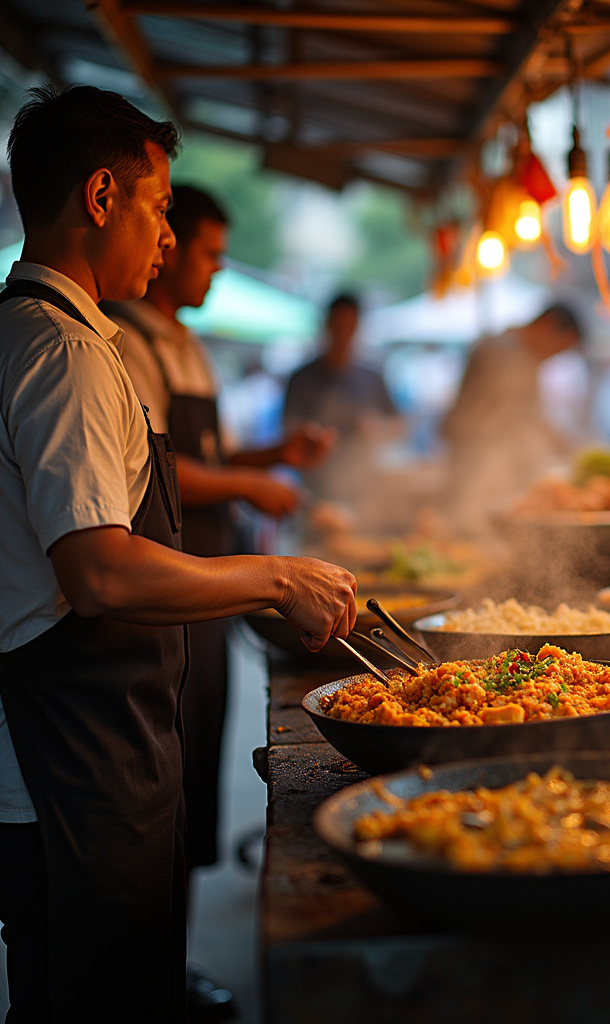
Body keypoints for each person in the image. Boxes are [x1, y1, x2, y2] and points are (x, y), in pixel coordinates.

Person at [0, 85, 358, 1024]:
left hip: (97, 735)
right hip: (70, 755)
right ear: (101, 197)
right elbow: (100, 572)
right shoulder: (57, 351)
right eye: (159, 208)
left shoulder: (61, 335)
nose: (165, 240)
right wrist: (277, 577)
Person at [104, 184, 332, 1020]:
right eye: (203, 248)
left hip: (205, 580)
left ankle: (173, 966)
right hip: (171, 578)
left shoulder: (185, 345)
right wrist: (251, 482)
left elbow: (209, 447)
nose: (205, 261)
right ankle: (158, 977)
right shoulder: (123, 341)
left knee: (192, 771)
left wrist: (274, 453)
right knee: (167, 774)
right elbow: (164, 471)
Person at [438, 304, 584, 534]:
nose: (552, 356)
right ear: (547, 325)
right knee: (473, 526)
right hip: (477, 462)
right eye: (558, 348)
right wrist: (563, 445)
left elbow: (527, 415)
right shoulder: (504, 353)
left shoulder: (517, 352)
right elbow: (517, 416)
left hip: (485, 460)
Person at [283, 293, 402, 518]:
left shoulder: (373, 377)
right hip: (315, 493)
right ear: (327, 326)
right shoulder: (302, 378)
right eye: (338, 326)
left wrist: (378, 429)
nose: (344, 335)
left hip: (365, 487)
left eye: (350, 327)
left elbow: (400, 425)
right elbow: (288, 433)